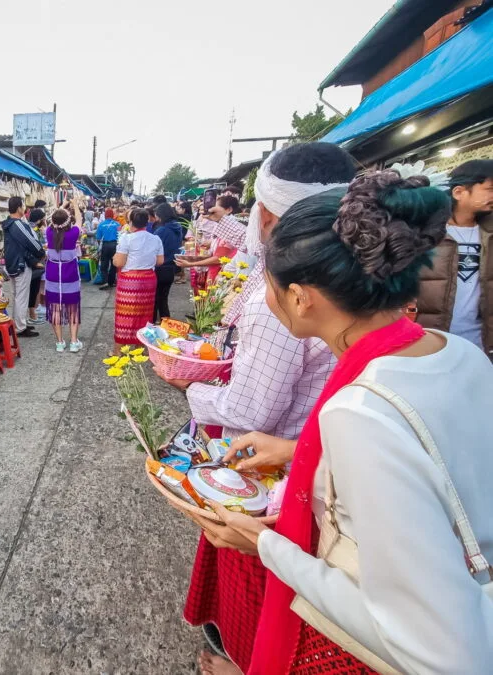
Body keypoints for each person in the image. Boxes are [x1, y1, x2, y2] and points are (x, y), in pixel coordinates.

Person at [194, 170, 493, 675]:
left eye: (268, 287)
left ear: (301, 296)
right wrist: (295, 452)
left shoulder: (357, 414)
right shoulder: (460, 353)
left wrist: (264, 545)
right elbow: (433, 464)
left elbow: (436, 647)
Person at [159, 142, 357, 673]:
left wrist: (188, 387)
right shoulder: (429, 346)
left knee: (264, 610)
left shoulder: (284, 300)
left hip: (285, 495)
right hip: (304, 461)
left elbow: (251, 411)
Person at [416, 159, 493, 355]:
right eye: (489, 189)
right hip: (432, 338)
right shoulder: (426, 233)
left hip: (481, 341)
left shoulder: (488, 233)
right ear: (459, 192)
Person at [112, 208, 163, 352]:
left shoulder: (126, 238)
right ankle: (139, 348)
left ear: (130, 222)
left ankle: (118, 351)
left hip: (130, 282)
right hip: (148, 281)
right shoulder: (156, 239)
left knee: (124, 316)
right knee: (144, 314)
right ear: (147, 222)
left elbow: (119, 263)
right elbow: (160, 261)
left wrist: (115, 259)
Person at [45, 200, 84, 353]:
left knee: (55, 308)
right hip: (70, 275)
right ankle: (74, 342)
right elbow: (79, 219)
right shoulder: (73, 233)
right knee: (72, 308)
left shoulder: (48, 232)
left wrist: (62, 207)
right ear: (68, 221)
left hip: (53, 275)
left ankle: (60, 343)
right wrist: (74, 204)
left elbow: (52, 219)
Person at [3, 196, 45, 337]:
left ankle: (19, 324)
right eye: (23, 206)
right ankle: (20, 327)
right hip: (20, 264)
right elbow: (30, 242)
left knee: (17, 296)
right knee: (21, 297)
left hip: (13, 263)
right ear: (19, 208)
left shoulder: (8, 224)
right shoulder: (17, 224)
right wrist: (41, 252)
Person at [152, 203, 184, 322]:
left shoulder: (161, 230)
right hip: (171, 268)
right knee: (163, 299)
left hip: (160, 268)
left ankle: (152, 325)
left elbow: (152, 249)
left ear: (161, 215)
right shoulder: (177, 227)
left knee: (155, 300)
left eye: (157, 215)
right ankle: (167, 324)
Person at [26, 208, 47, 325]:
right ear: (39, 219)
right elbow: (37, 245)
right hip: (35, 261)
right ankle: (33, 313)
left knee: (35, 286)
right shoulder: (33, 229)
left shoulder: (29, 227)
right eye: (43, 218)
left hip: (34, 260)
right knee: (34, 287)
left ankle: (34, 311)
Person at [97, 208, 120, 290]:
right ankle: (111, 282)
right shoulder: (117, 224)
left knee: (104, 264)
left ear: (105, 215)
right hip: (115, 245)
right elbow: (120, 236)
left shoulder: (101, 224)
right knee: (114, 264)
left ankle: (105, 281)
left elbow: (98, 238)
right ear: (112, 215)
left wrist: (100, 247)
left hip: (105, 245)